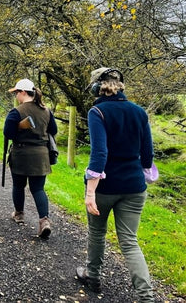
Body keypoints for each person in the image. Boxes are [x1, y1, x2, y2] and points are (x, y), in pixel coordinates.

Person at [76, 67, 154, 302]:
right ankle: (146, 296)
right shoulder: (139, 112)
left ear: (95, 87)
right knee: (130, 242)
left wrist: (90, 191)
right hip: (134, 187)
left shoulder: (97, 111)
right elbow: (148, 156)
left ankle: (93, 276)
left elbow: (99, 154)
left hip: (106, 188)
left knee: (97, 233)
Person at [3, 78, 58, 239]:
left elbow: (8, 134)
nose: (15, 96)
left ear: (23, 92)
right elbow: (52, 130)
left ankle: (19, 214)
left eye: (16, 93)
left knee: (19, 186)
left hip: (21, 154)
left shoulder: (16, 112)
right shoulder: (46, 111)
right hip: (41, 155)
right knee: (38, 189)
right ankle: (44, 221)